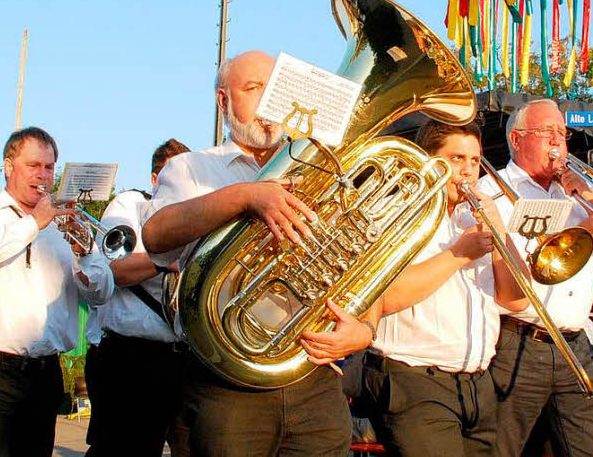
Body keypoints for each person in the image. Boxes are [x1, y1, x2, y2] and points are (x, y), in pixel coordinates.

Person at [142, 50, 377, 457]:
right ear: (223, 101)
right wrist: (245, 196)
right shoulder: (190, 168)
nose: (269, 103)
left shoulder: (329, 167)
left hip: (313, 374)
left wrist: (365, 328)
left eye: (278, 90)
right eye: (254, 89)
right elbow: (156, 235)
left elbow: (369, 263)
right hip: (226, 379)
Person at [478, 98, 593, 457]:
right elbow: (505, 272)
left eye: (562, 134)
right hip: (515, 338)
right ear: (517, 140)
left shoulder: (581, 193)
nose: (558, 142)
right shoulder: (491, 192)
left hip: (576, 345)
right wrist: (583, 230)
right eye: (547, 132)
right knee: (501, 448)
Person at [0, 127, 113, 457]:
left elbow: (101, 294)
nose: (44, 176)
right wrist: (33, 223)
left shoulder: (63, 226)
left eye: (49, 168)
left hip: (43, 373)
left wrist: (88, 254)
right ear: (9, 166)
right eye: (34, 165)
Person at [363, 120, 528, 457]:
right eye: (456, 159)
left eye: (474, 161)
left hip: (477, 384)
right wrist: (458, 254)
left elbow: (517, 299)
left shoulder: (475, 219)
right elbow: (383, 298)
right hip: (414, 379)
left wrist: (500, 236)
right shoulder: (395, 213)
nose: (467, 171)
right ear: (429, 161)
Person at [85, 138, 191, 457]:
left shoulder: (195, 215)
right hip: (130, 357)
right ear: (155, 180)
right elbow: (114, 270)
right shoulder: (129, 205)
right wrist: (166, 261)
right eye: (175, 177)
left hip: (181, 357)